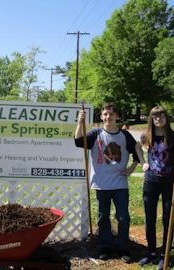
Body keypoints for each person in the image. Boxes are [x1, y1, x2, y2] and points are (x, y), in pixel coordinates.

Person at [75, 102, 139, 263]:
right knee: (103, 216)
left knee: (123, 217)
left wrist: (132, 168)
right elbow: (78, 141)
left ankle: (123, 247)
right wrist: (79, 122)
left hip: (120, 184)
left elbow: (137, 150)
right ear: (102, 116)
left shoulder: (125, 136)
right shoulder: (96, 133)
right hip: (101, 184)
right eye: (105, 114)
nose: (108, 117)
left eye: (111, 114)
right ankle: (105, 246)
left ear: (117, 116)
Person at [135, 105, 174, 270]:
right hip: (151, 182)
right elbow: (136, 147)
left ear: (166, 118)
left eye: (161, 115)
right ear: (151, 119)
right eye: (155, 116)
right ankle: (151, 252)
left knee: (167, 219)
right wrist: (143, 163)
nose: (158, 119)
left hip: (170, 183)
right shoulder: (147, 136)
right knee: (150, 218)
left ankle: (165, 254)